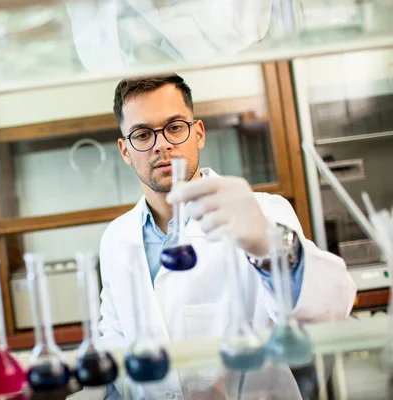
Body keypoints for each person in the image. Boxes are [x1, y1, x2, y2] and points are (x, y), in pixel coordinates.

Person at [97, 74, 357, 398]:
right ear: (125, 150)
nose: (161, 144)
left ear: (199, 133)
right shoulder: (115, 239)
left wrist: (267, 242)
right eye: (142, 134)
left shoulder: (264, 212)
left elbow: (329, 310)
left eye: (175, 127)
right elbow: (114, 345)